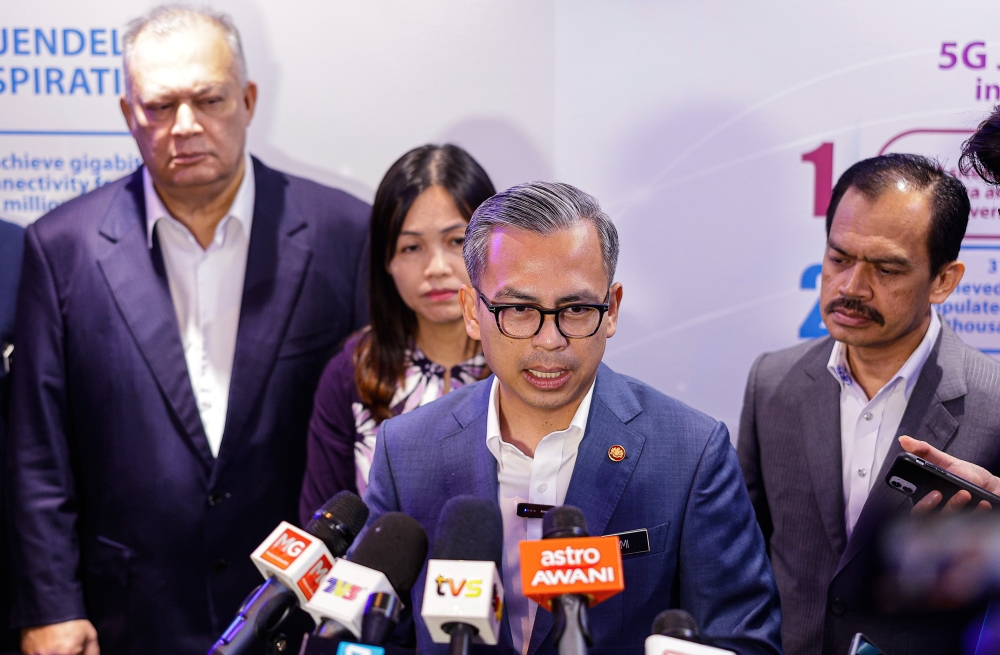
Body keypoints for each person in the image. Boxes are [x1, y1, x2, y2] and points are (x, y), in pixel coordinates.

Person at [6, 7, 369, 655]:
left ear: (249, 99)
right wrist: (49, 605)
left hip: (299, 613)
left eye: (208, 99)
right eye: (159, 105)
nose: (185, 126)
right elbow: (38, 452)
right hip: (125, 614)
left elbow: (371, 437)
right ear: (127, 113)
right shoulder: (61, 249)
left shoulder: (344, 233)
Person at [362, 181, 782, 654]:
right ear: (472, 312)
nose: (549, 340)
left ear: (612, 309)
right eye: (519, 309)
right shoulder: (406, 450)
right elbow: (377, 636)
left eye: (576, 309)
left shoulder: (690, 454)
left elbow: (740, 644)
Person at [737, 153, 1000, 655]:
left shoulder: (993, 403)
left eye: (886, 269)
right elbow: (742, 559)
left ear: (944, 280)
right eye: (838, 259)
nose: (851, 287)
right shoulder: (772, 383)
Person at [299, 144, 494, 521]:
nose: (435, 267)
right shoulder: (351, 373)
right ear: (386, 261)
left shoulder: (531, 361)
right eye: (411, 247)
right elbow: (319, 532)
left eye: (457, 241)